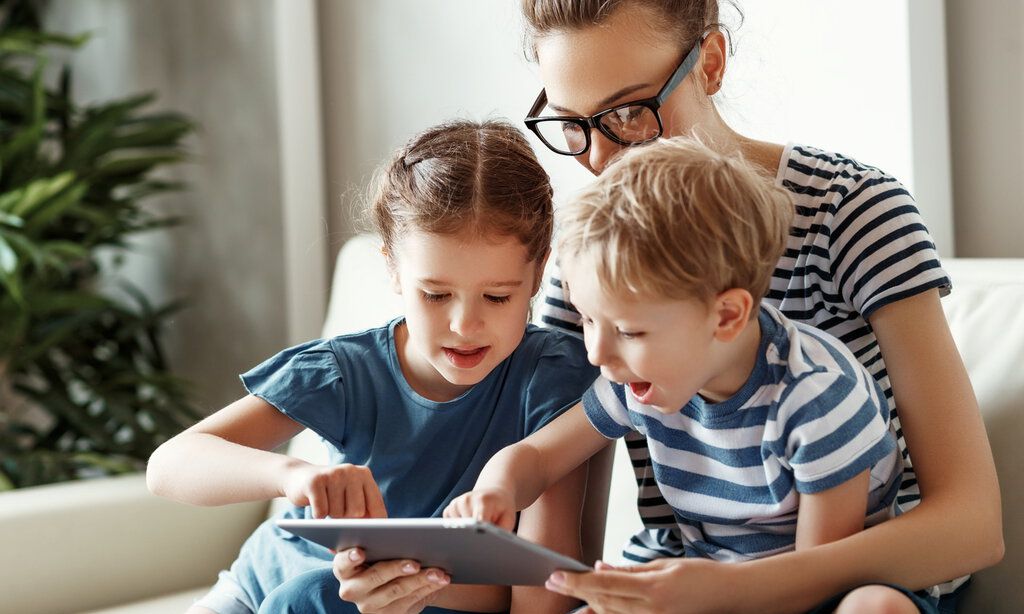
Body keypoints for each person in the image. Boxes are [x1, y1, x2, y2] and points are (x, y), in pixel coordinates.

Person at [518, 0, 1003, 612]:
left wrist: (734, 592)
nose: (598, 158)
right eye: (572, 125)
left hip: (857, 583)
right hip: (685, 575)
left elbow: (972, 527)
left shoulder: (849, 212)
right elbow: (561, 532)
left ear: (710, 62)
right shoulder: (590, 258)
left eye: (628, 112)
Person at [447, 137, 932, 612]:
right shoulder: (638, 380)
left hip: (812, 591)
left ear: (726, 316)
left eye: (629, 331)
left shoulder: (817, 398)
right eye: (588, 320)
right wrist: (496, 492)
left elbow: (815, 581)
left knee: (875, 607)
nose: (597, 354)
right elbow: (538, 456)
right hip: (702, 586)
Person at [146, 119, 598, 614]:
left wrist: (404, 583)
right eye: (436, 294)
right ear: (392, 269)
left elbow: (542, 590)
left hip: (376, 602)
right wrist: (291, 476)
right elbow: (169, 467)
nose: (465, 325)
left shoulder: (549, 380)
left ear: (538, 272)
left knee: (312, 596)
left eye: (496, 297)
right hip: (254, 588)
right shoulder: (347, 370)